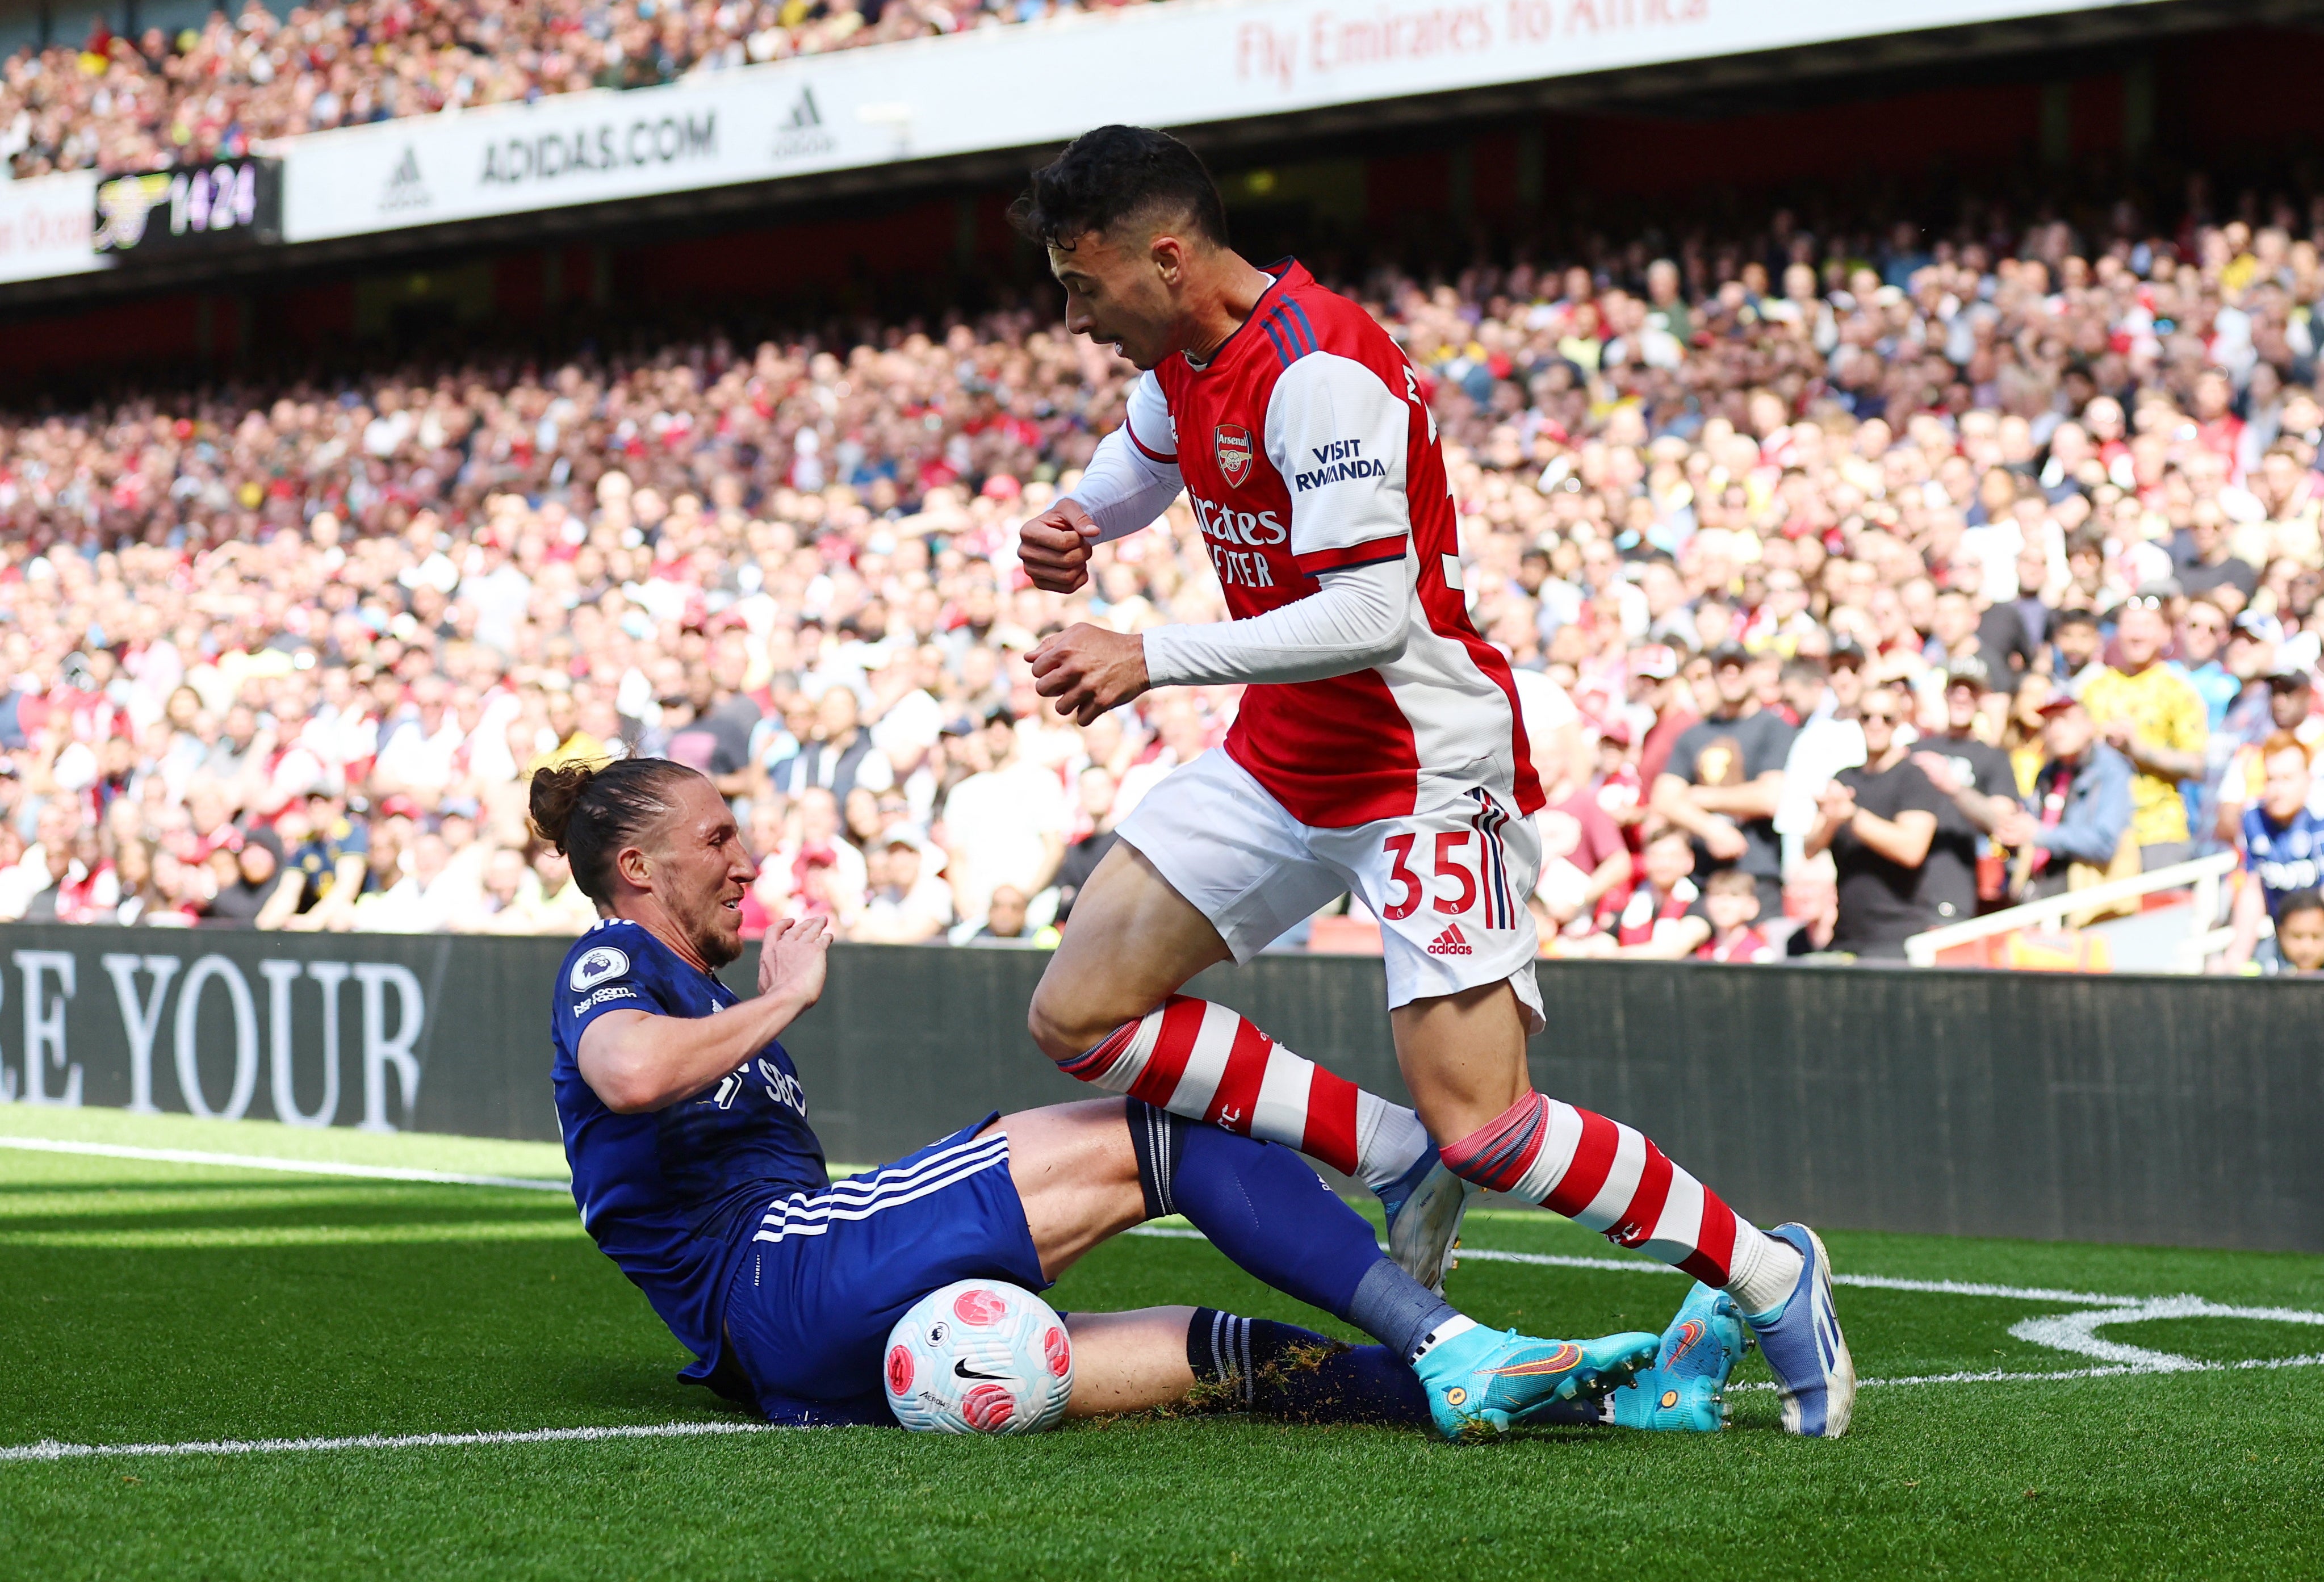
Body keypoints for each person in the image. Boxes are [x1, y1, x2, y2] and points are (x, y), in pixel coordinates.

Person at [1010, 125, 1849, 1437]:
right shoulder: (1180, 362)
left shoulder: (1317, 370)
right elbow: (1125, 486)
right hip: (1283, 749)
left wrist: (1147, 652)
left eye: (1080, 282)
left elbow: (1367, 620)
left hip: (1415, 758)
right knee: (1081, 1015)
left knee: (1491, 1132)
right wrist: (1069, 529)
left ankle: (1770, 1275)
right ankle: (1384, 1157)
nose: (1068, 315)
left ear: (1164, 256)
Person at [534, 755, 1716, 1441]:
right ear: (637, 868)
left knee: (1213, 1357)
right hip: (777, 1275)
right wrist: (787, 998)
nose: (747, 859)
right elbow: (630, 1073)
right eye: (719, 837)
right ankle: (1445, 1332)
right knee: (1165, 1130)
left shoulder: (697, 988)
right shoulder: (615, 963)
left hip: (806, 1360)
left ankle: (1612, 1406)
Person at [1653, 642, 1796, 918]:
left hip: (1757, 875)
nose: (1731, 675)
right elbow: (1663, 798)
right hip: (1703, 878)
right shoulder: (1694, 734)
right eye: (1723, 669)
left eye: (1739, 668)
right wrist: (1711, 828)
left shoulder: (1774, 728)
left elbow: (1769, 797)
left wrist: (1699, 797)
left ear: (1754, 673)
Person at [1806, 682, 1945, 960]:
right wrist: (1832, 817)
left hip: (1896, 937)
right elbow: (1809, 848)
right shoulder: (1845, 778)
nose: (1876, 725)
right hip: (1846, 936)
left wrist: (1853, 816)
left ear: (1900, 722)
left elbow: (1911, 849)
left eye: (1886, 718)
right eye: (1867, 717)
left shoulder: (1913, 779)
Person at [2078, 596, 2208, 871]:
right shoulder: (2094, 689)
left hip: (2159, 831)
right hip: (2103, 832)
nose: (2137, 635)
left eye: (2147, 626)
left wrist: (2137, 749)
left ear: (2165, 634)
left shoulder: (2177, 690)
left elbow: (2197, 765)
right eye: (2129, 625)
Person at [1992, 696, 2137, 902]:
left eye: (2066, 720)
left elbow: (2104, 842)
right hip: (2042, 892)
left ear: (2089, 725)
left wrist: (2039, 834)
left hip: (2088, 900)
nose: (2057, 730)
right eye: (2050, 723)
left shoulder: (2110, 770)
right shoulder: (2047, 773)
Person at [1910, 662, 2024, 919]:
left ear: (1982, 698)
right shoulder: (1915, 750)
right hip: (1904, 886)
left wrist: (1952, 787)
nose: (1962, 696)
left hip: (1954, 883)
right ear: (1945, 694)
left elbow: (2003, 822)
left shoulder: (1994, 758)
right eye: (1956, 688)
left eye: (1971, 690)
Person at [2223, 735, 2324, 973]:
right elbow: (2253, 889)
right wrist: (2236, 956)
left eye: (2287, 779)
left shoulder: (2319, 821)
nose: (2277, 790)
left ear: (2308, 780)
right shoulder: (2254, 820)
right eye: (2271, 779)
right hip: (2280, 942)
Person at [1695, 868, 1776, 964]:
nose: (1724, 905)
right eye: (1717, 895)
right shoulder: (1704, 950)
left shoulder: (1759, 954)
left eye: (1734, 896)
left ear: (1752, 906)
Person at [2258, 888, 2324, 975]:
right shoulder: (2264, 965)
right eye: (2297, 936)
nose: (2306, 948)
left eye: (2316, 936)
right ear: (2280, 934)